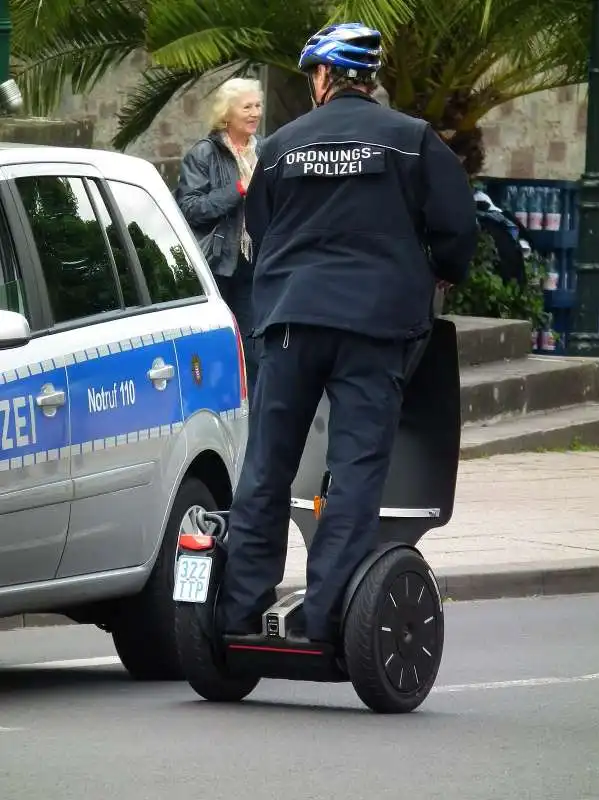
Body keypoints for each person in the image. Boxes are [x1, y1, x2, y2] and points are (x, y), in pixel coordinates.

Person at [219, 23, 479, 641]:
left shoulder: (281, 146)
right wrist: (441, 273)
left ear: (322, 78)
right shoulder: (411, 141)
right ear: (369, 79)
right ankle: (325, 615)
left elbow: (258, 229)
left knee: (267, 467)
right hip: (376, 326)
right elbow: (457, 228)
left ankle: (237, 613)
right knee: (356, 469)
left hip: (289, 324)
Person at [174, 77, 264, 402]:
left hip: (254, 267)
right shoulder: (204, 154)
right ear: (227, 113)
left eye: (258, 105)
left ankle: (253, 429)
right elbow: (190, 208)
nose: (255, 113)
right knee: (215, 351)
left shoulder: (264, 151)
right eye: (247, 107)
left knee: (255, 354)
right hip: (216, 268)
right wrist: (239, 188)